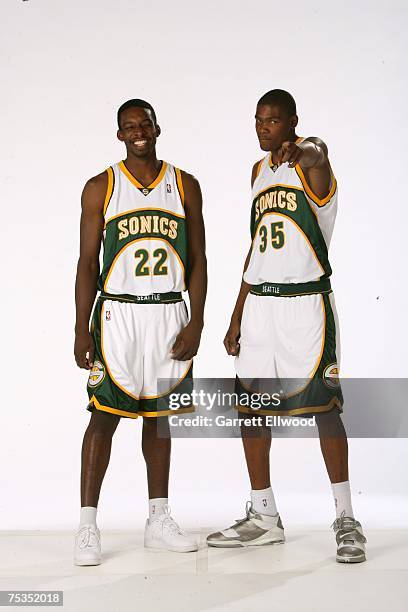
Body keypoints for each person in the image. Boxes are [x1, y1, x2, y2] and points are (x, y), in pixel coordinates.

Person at [206, 89, 367, 563]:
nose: (263, 128)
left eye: (273, 121)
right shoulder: (258, 173)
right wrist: (236, 313)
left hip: (306, 305)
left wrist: (308, 146)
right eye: (258, 121)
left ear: (293, 122)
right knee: (250, 408)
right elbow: (256, 249)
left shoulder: (312, 165)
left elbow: (320, 151)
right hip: (260, 307)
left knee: (323, 407)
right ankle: (264, 516)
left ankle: (345, 518)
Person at [74, 99, 207, 565]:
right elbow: (87, 262)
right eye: (129, 127)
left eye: (144, 124)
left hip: (169, 314)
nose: (138, 132)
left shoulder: (184, 184)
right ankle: (88, 526)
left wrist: (197, 320)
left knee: (159, 419)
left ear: (156, 127)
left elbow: (198, 261)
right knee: (104, 417)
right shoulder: (101, 187)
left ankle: (158, 519)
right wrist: (79, 327)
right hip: (118, 317)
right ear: (119, 134)